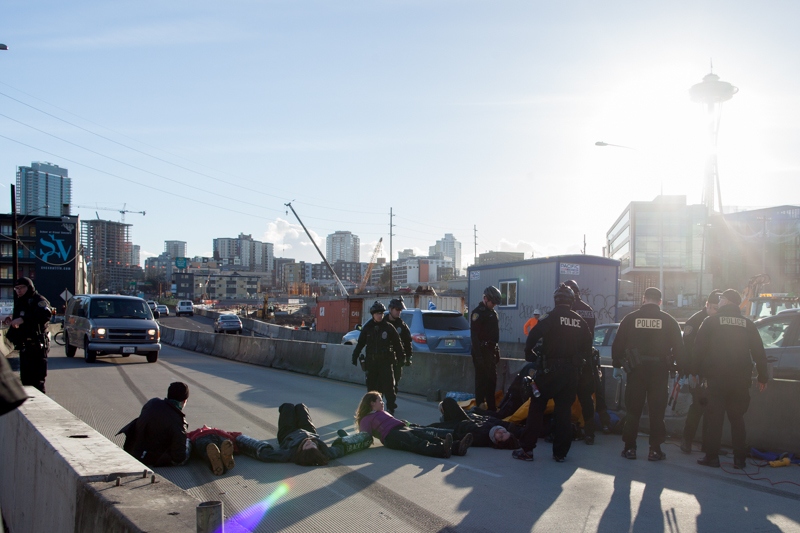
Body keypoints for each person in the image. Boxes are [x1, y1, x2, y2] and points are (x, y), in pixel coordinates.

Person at [514, 284, 592, 462]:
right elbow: (588, 345)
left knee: (537, 405)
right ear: (571, 301)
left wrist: (529, 354)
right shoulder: (579, 320)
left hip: (550, 371)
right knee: (564, 411)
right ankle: (560, 453)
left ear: (556, 300)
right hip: (571, 373)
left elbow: (533, 335)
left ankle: (527, 450)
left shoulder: (550, 317)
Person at [693, 289, 768, 470]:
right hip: (740, 381)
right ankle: (740, 460)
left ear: (726, 301)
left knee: (715, 420)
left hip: (715, 380)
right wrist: (762, 377)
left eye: (721, 299)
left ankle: (712, 457)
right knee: (737, 419)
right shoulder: (748, 324)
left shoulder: (710, 321)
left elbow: (698, 349)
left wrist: (694, 372)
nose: (719, 302)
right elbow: (759, 352)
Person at [612, 287, 686, 462]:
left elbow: (618, 344)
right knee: (657, 413)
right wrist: (682, 370)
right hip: (659, 373)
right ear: (660, 301)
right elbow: (679, 349)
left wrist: (616, 366)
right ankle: (655, 450)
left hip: (636, 372)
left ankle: (630, 449)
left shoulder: (630, 319)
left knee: (633, 411)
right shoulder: (669, 321)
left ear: (644, 299)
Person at [249, 403, 374, 466]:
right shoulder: (326, 452)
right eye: (313, 445)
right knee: (301, 407)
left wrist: (255, 446)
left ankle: (287, 410)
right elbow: (341, 449)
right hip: (309, 431)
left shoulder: (290, 453)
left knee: (287, 407)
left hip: (288, 434)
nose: (309, 442)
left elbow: (266, 455)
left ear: (300, 451)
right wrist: (355, 439)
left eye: (306, 445)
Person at [679, 289, 722, 454]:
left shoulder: (718, 320)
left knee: (712, 409)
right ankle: (687, 440)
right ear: (708, 305)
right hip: (697, 373)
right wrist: (691, 372)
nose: (717, 311)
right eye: (715, 308)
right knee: (697, 406)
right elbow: (688, 349)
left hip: (713, 373)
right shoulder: (695, 321)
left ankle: (708, 445)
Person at [356, 391, 454, 458]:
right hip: (390, 435)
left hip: (402, 427)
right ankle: (442, 451)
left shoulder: (381, 412)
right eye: (380, 400)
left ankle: (452, 446)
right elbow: (365, 436)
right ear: (372, 403)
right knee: (415, 441)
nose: (383, 403)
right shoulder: (366, 419)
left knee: (425, 435)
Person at [563, 279, 602, 444]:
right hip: (587, 360)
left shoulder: (567, 309)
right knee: (586, 398)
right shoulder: (589, 309)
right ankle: (590, 433)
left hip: (569, 360)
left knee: (564, 398)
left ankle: (563, 431)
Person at [118, 382, 191, 467]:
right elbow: (179, 457)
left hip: (134, 451)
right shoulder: (179, 422)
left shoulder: (152, 403)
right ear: (184, 401)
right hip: (153, 459)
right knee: (188, 442)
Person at [351, 301, 405, 414]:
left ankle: (390, 407)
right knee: (372, 387)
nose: (380, 316)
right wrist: (355, 356)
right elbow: (360, 343)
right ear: (373, 314)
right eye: (377, 313)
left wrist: (401, 358)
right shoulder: (367, 327)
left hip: (385, 362)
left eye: (381, 313)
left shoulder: (388, 327)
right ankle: (371, 408)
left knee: (389, 386)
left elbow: (397, 344)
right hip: (372, 362)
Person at [5, 277, 52, 393]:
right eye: (16, 288)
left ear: (29, 287)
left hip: (37, 346)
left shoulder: (38, 300)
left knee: (37, 381)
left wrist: (23, 319)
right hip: (25, 347)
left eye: (21, 288)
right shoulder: (21, 302)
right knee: (26, 381)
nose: (19, 291)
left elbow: (45, 314)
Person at [428, 397, 520, 449]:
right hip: (465, 419)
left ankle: (446, 418)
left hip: (456, 426)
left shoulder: (482, 438)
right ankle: (446, 415)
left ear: (497, 442)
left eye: (501, 436)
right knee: (448, 401)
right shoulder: (495, 427)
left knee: (430, 428)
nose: (500, 432)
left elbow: (460, 436)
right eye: (504, 431)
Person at [470, 286, 502, 411]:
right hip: (481, 350)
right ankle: (480, 405)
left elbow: (494, 335)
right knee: (481, 380)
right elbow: (474, 336)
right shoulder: (478, 313)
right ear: (486, 299)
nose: (494, 305)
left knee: (492, 380)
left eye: (495, 303)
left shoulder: (493, 313)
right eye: (493, 302)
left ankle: (491, 407)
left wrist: (497, 351)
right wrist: (478, 356)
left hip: (491, 351)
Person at [385, 297, 413, 405]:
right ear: (390, 309)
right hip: (384, 359)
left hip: (397, 359)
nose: (398, 312)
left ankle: (391, 405)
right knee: (382, 383)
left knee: (394, 382)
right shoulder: (382, 323)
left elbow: (407, 342)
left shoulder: (402, 326)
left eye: (400, 310)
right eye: (396, 309)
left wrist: (408, 357)